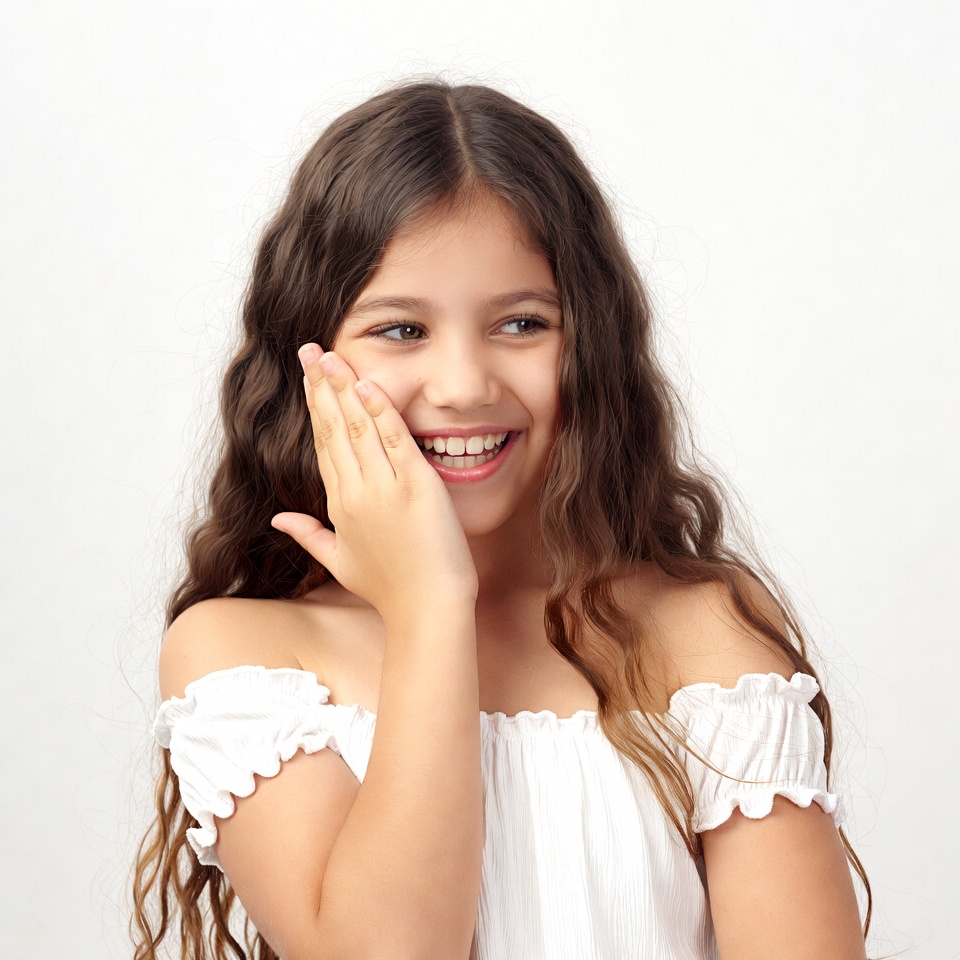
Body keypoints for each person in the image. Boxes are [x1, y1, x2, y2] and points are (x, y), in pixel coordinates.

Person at [131, 78, 871, 960]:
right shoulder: (245, 657)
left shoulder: (701, 633)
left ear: (590, 345)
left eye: (522, 324)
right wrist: (431, 608)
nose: (463, 386)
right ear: (310, 360)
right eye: (401, 331)